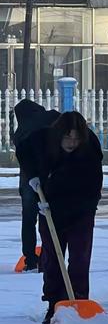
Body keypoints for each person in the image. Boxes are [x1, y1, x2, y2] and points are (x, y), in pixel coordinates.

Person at [17, 111, 103, 324]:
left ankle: (78, 303)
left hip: (81, 210)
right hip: (49, 208)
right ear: (59, 134)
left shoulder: (89, 146)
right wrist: (33, 177)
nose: (72, 143)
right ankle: (54, 304)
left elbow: (94, 184)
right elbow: (22, 149)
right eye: (68, 137)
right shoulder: (43, 138)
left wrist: (88, 210)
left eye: (76, 138)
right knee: (52, 260)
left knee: (80, 260)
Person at [13, 100, 60, 272]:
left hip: (29, 177)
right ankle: (50, 255)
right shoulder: (51, 117)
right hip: (50, 173)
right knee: (47, 217)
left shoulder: (20, 133)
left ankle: (31, 259)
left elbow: (23, 157)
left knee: (29, 218)